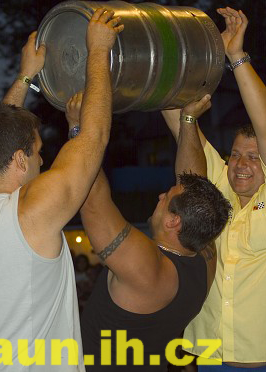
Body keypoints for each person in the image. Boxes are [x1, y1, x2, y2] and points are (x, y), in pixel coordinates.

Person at [0, 8, 123, 371]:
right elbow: (95, 136)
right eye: (37, 152)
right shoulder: (30, 213)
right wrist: (99, 51)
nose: (42, 159)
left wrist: (26, 77)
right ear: (20, 160)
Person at [162, 7, 266, 370]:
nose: (241, 164)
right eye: (235, 155)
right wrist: (164, 53)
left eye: (253, 157)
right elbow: (177, 119)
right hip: (214, 359)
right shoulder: (217, 190)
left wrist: (236, 56)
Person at [77, 94, 231, 371]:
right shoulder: (204, 254)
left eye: (166, 197)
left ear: (174, 222)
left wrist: (78, 128)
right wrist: (187, 121)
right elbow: (194, 181)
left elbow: (92, 202)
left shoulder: (147, 268)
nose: (160, 196)